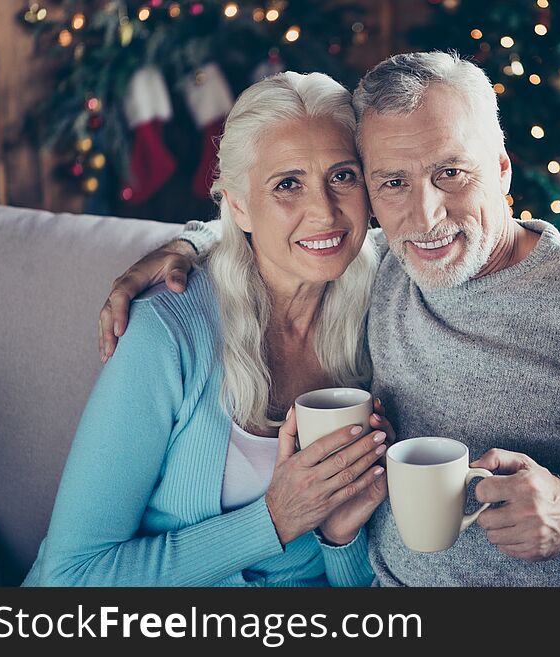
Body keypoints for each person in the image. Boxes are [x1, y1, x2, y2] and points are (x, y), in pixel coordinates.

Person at [98, 52, 560, 586]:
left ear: (501, 169)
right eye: (393, 183)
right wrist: (195, 240)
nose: (426, 216)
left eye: (451, 173)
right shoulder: (380, 267)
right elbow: (289, 225)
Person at [24, 72, 396, 587]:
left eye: (343, 176)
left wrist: (340, 535)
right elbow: (69, 579)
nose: (325, 211)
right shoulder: (165, 334)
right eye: (288, 183)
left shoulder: (387, 302)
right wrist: (274, 519)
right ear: (238, 204)